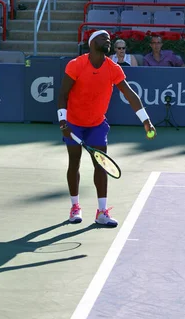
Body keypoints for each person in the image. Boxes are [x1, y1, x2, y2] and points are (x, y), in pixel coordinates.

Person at [58, 30, 156, 228]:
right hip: (74, 122)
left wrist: (146, 120)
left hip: (97, 124)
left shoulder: (113, 68)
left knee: (101, 165)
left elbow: (130, 95)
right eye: (103, 38)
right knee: (74, 163)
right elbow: (62, 95)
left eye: (109, 39)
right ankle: (75, 207)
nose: (108, 41)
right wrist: (63, 122)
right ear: (92, 43)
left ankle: (102, 212)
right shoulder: (76, 65)